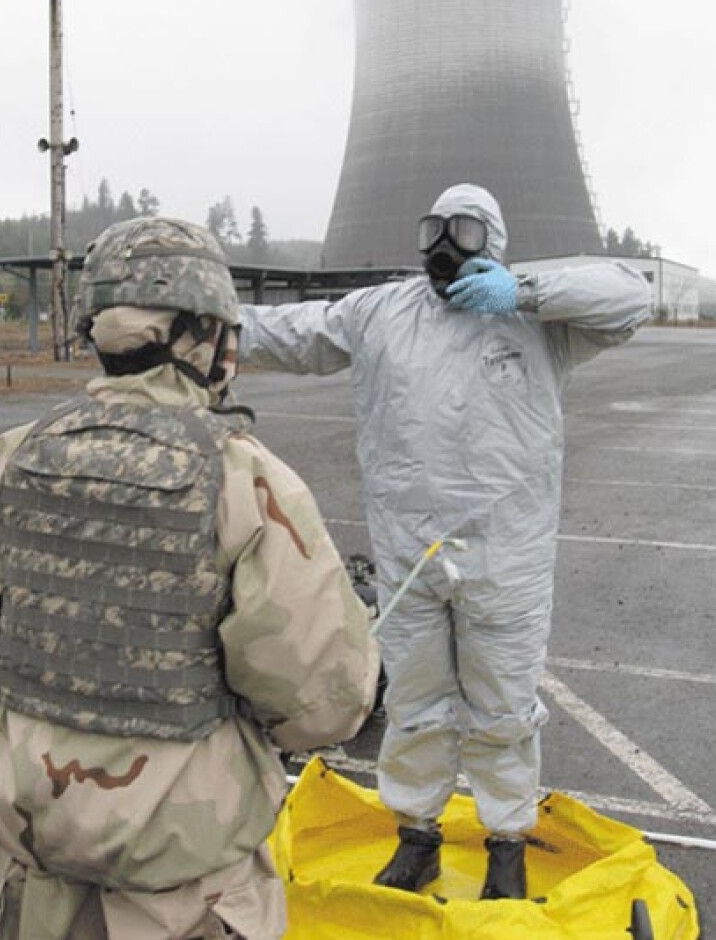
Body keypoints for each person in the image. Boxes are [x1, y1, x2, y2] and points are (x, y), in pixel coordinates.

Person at [0, 216, 379, 940]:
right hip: (183, 906)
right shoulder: (246, 480)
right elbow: (322, 703)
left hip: (34, 881)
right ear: (205, 337)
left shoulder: (9, 460)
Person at [237, 183, 652, 898]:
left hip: (507, 553)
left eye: (461, 230)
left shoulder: (539, 316)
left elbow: (628, 296)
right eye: (433, 228)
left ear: (492, 239)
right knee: (417, 703)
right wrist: (200, 316)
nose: (442, 245)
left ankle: (507, 843)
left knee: (505, 707)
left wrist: (521, 290)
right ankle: (416, 836)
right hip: (409, 551)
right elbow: (295, 333)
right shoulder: (382, 312)